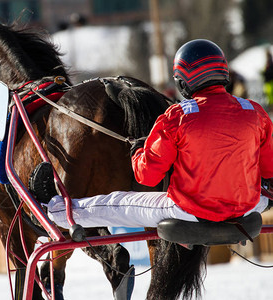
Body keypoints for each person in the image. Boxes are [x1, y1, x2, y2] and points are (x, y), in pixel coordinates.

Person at [30, 39, 273, 231]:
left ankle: (52, 210)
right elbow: (268, 169)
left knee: (113, 204)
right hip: (246, 207)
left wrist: (138, 150)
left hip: (189, 211)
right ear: (223, 72)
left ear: (182, 80)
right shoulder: (255, 111)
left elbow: (146, 176)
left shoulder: (177, 116)